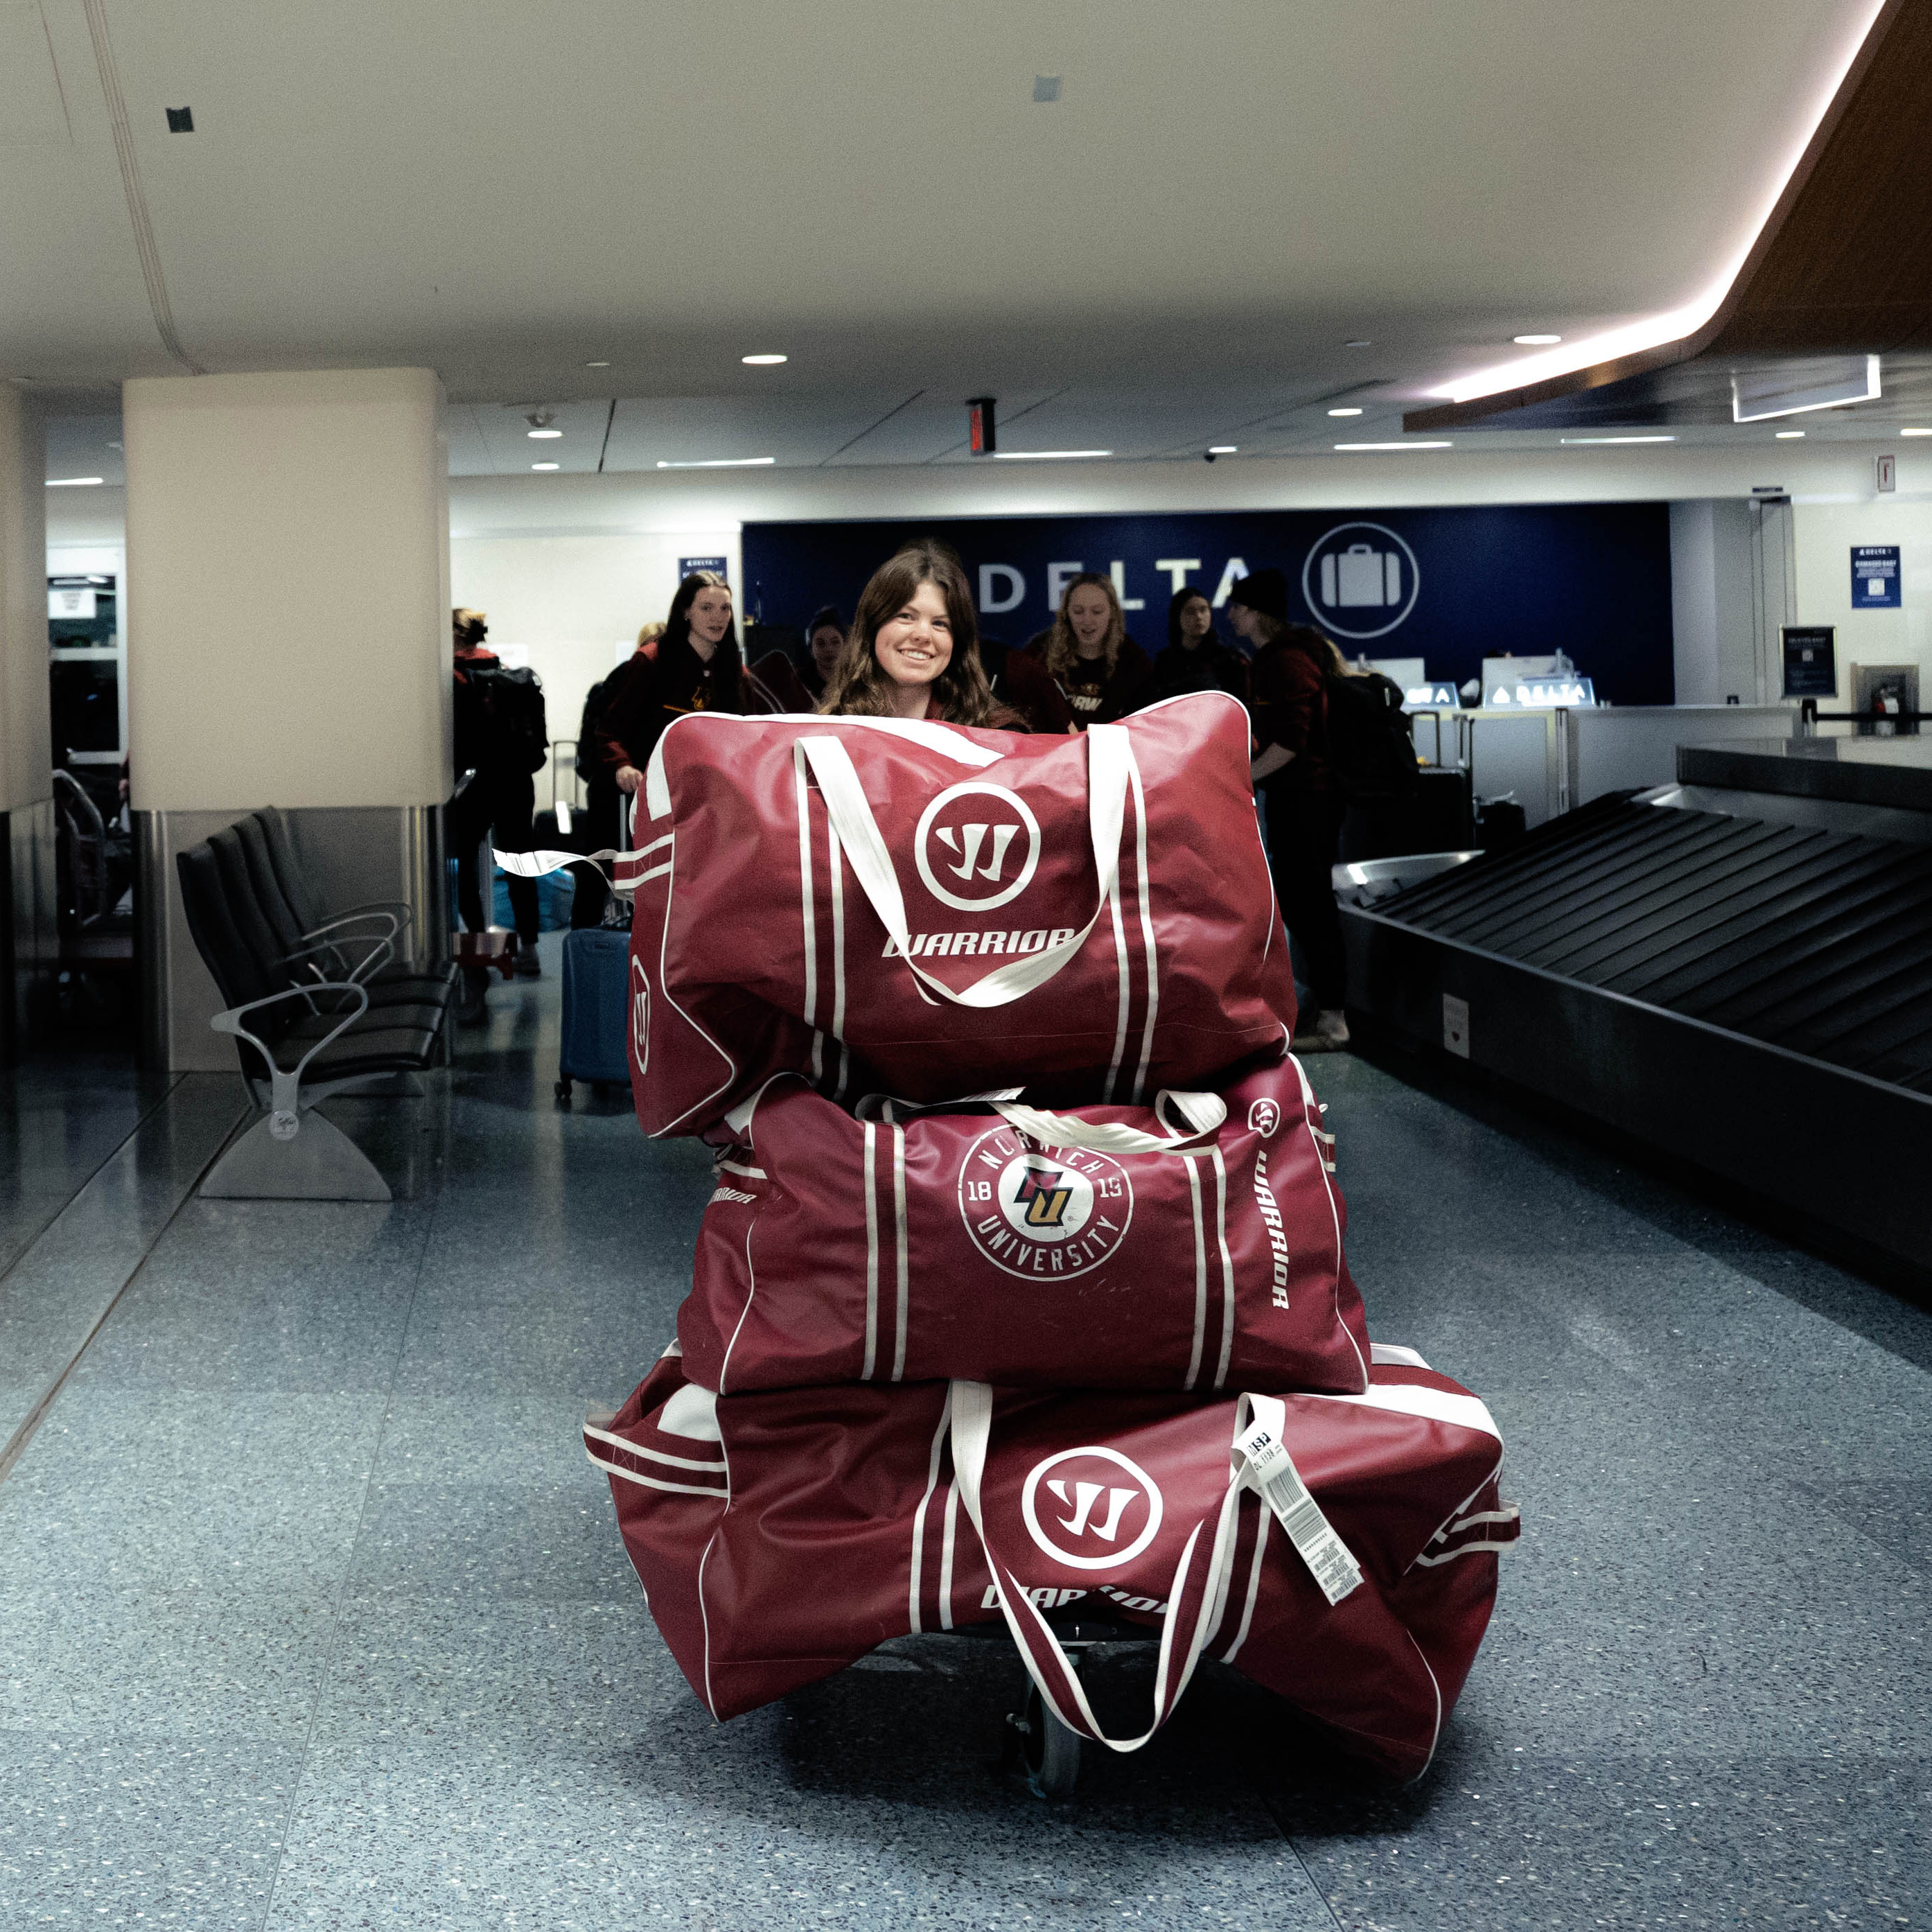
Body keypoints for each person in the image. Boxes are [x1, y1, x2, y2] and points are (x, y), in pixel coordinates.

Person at [1224, 570, 1353, 1053]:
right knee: (1303, 902)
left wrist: (1243, 777)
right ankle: (1327, 1008)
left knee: (1311, 903)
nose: (1231, 614)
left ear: (1257, 611)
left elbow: (1291, 744)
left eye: (1238, 606)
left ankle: (1336, 1019)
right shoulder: (1276, 657)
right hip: (1299, 800)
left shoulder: (1287, 660)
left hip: (1309, 800)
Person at [818, 541, 1022, 727]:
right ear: (873, 625)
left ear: (958, 641)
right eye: (906, 616)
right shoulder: (828, 732)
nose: (923, 635)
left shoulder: (998, 735)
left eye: (940, 623)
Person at [446, 608, 546, 975]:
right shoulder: (509, 676)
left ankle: (477, 946)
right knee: (520, 863)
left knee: (467, 864)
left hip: (473, 783)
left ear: (453, 636)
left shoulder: (453, 678)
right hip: (517, 781)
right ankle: (530, 949)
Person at [599, 572, 748, 801]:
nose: (718, 617)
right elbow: (610, 731)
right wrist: (622, 766)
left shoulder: (736, 671)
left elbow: (749, 735)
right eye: (706, 608)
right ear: (686, 611)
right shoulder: (651, 661)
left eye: (725, 608)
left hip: (714, 794)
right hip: (657, 793)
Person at [568, 622, 663, 927]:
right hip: (639, 791)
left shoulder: (610, 683)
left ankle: (584, 936)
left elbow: (590, 748)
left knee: (598, 869)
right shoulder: (657, 683)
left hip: (610, 790)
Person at [1028, 573, 1152, 726]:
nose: (1087, 620)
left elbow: (1145, 723)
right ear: (1066, 613)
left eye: (1097, 611)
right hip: (1055, 747)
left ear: (1112, 612)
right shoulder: (1040, 653)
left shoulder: (1132, 660)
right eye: (1078, 612)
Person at [1145, 586, 1249, 705]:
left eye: (1204, 610)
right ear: (1177, 617)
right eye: (1190, 611)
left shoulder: (1229, 659)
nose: (1199, 617)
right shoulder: (1164, 661)